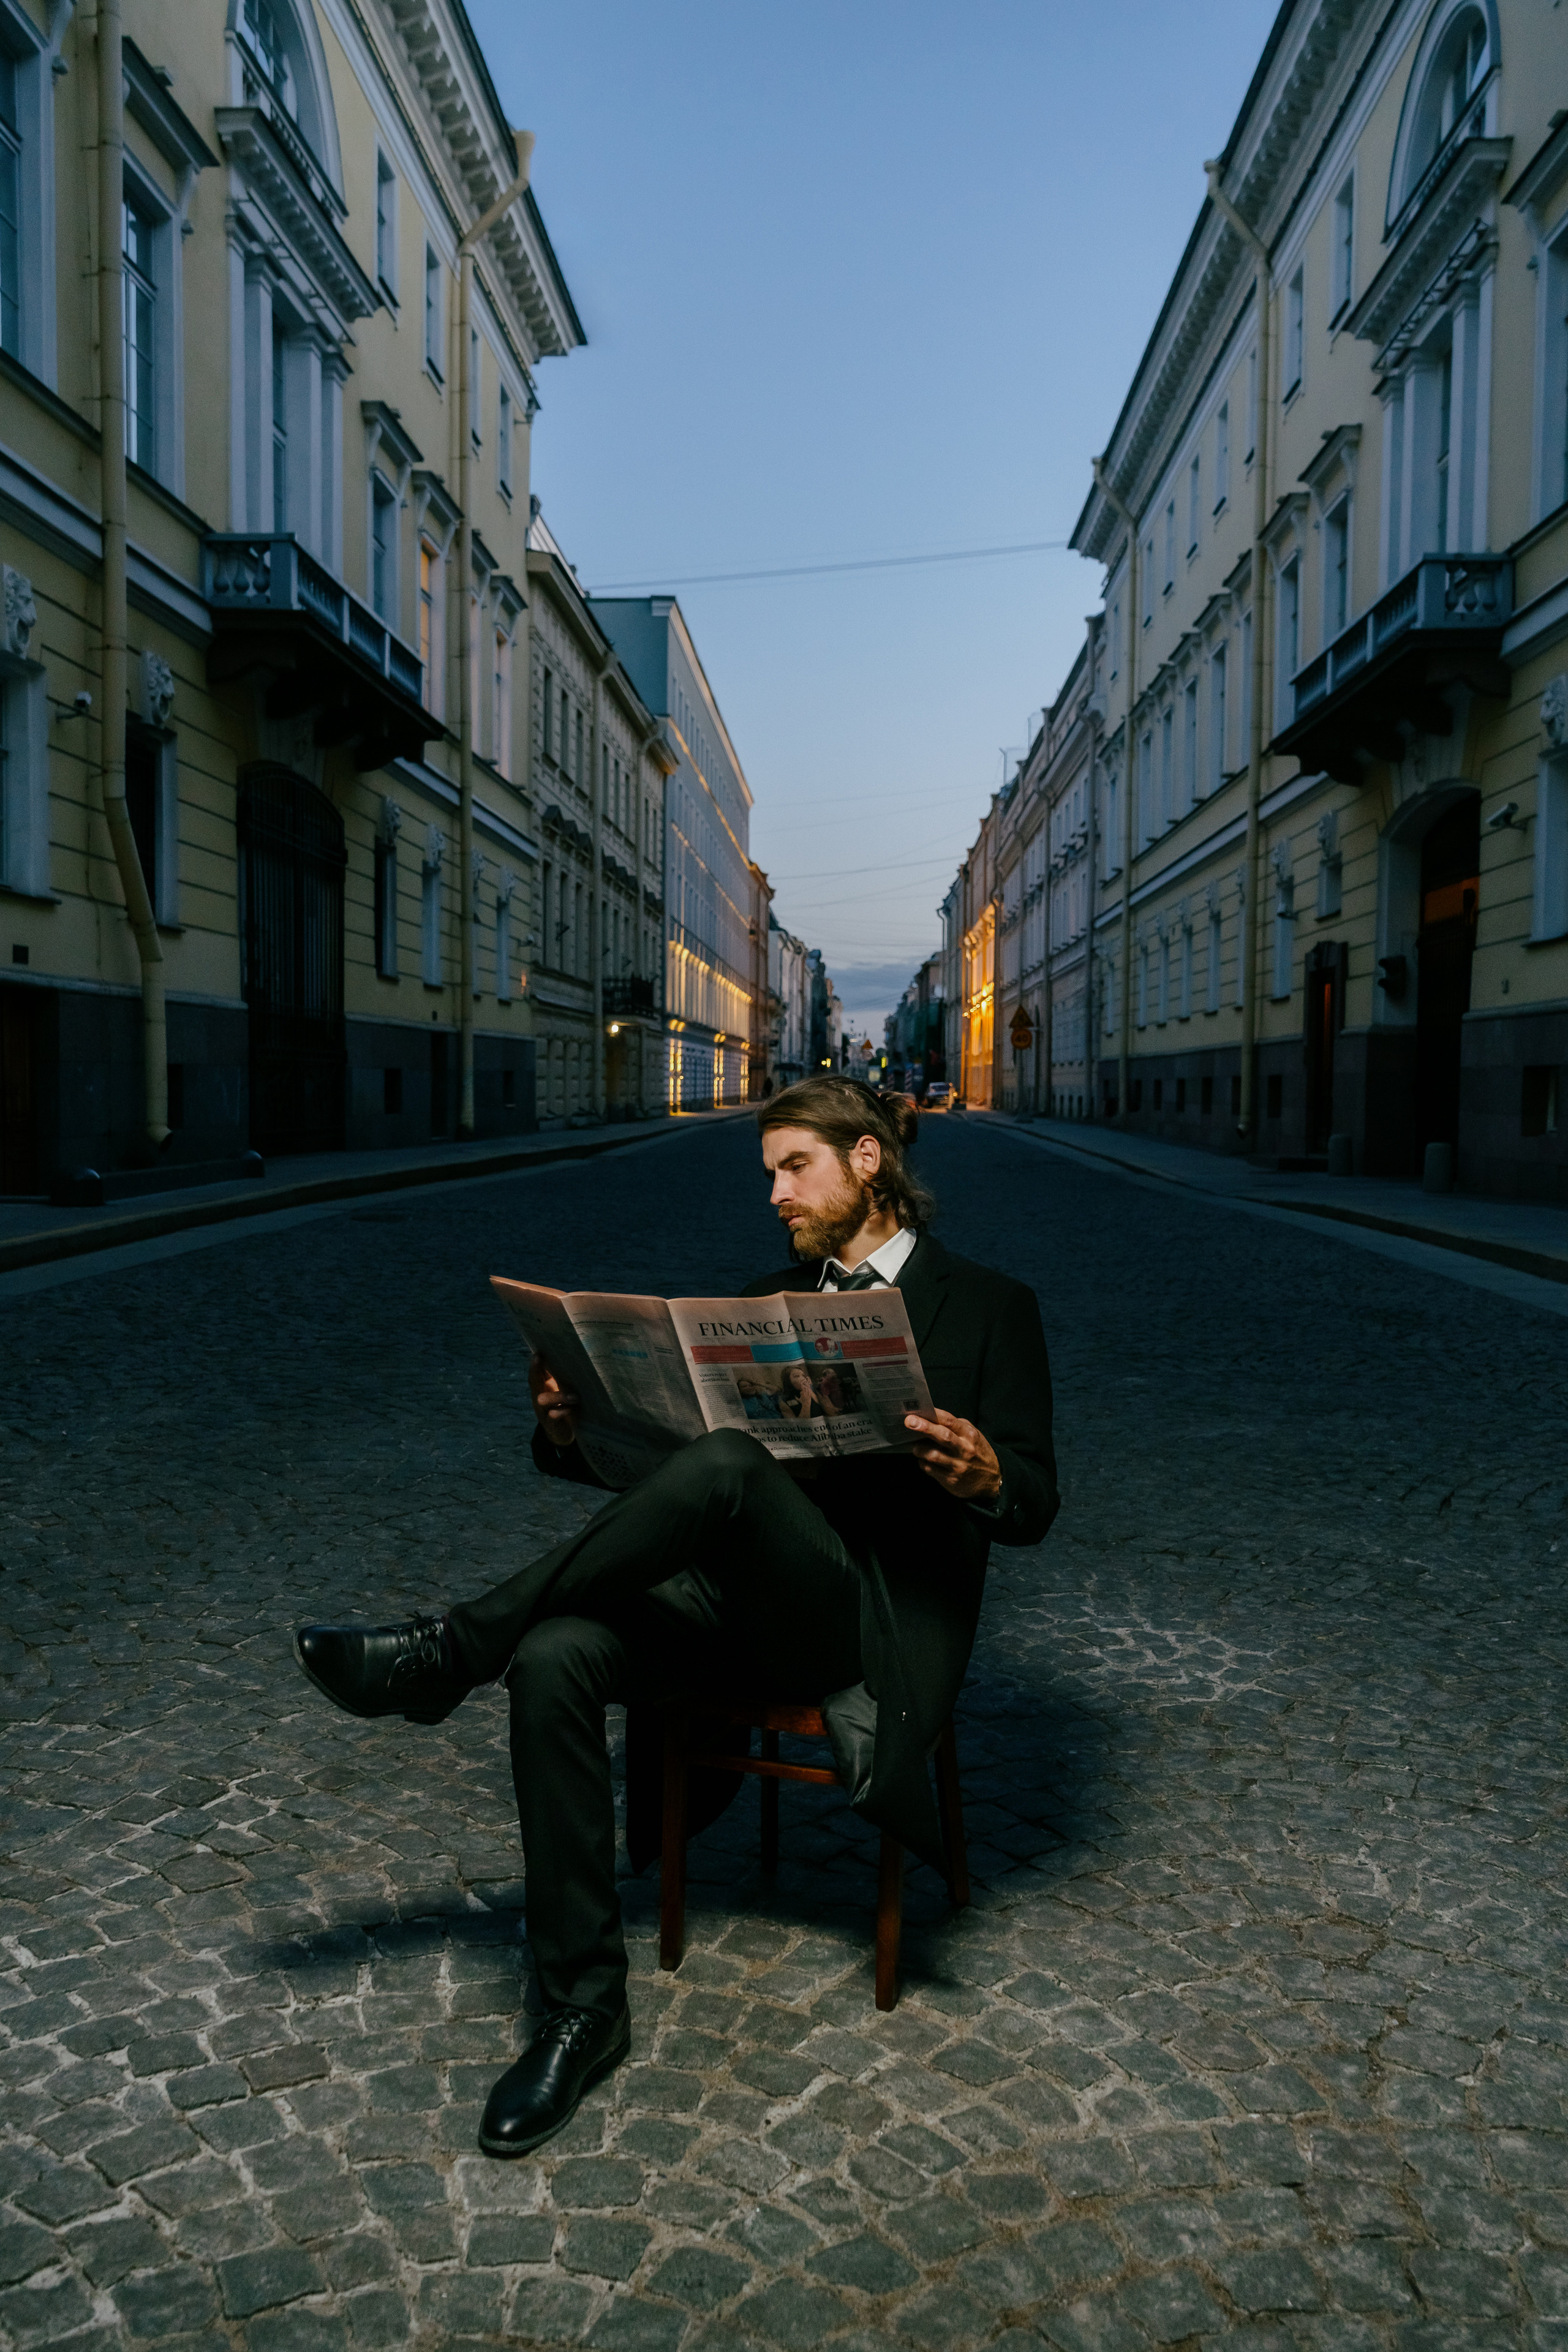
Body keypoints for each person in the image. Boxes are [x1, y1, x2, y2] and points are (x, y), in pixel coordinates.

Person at [293, 1077, 1058, 2159]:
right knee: (555, 1655)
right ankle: (581, 2011)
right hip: (736, 1604)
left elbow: (1035, 1501)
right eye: (770, 1173)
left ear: (868, 1162)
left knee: (732, 1464)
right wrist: (574, 1432)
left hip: (870, 1623)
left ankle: (448, 1650)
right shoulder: (762, 1302)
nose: (777, 1195)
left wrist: (988, 1477)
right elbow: (666, 1489)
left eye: (795, 1167)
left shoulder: (989, 1306)